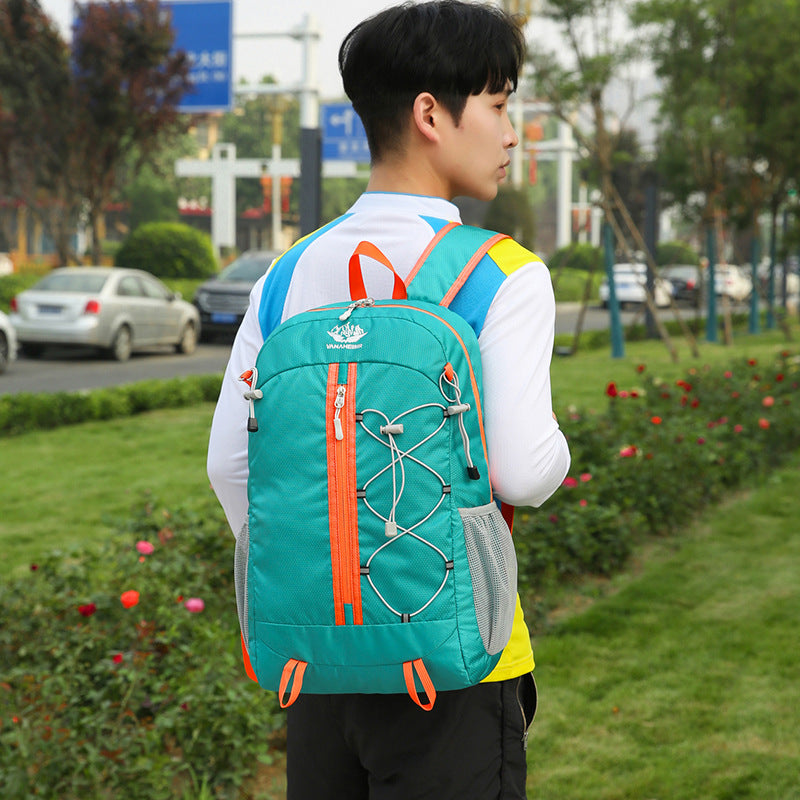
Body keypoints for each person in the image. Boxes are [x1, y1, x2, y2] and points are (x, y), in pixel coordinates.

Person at [207, 2, 570, 797]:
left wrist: (321, 576)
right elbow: (522, 471)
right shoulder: (503, 273)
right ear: (431, 115)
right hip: (454, 663)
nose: (512, 135)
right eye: (500, 106)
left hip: (317, 668)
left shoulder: (285, 276)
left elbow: (231, 466)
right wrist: (561, 447)